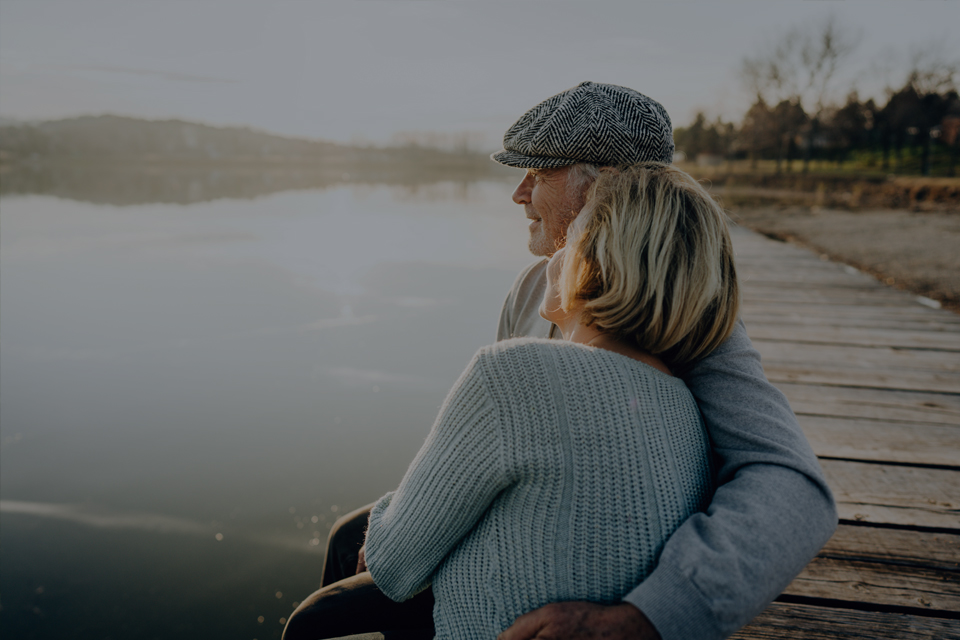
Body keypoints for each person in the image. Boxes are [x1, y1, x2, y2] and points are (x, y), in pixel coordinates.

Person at [284, 82, 837, 640]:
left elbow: (789, 483)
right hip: (516, 508)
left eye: (540, 173)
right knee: (345, 535)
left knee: (320, 617)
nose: (518, 193)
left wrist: (647, 617)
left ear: (607, 190)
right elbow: (479, 445)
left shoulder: (685, 309)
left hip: (590, 560)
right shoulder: (529, 290)